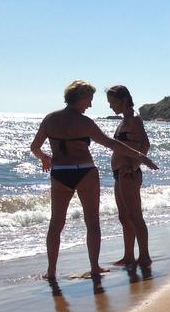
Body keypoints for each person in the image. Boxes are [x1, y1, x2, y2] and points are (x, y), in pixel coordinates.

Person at [31, 80, 158, 281]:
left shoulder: (50, 119)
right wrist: (141, 157)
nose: (90, 105)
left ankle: (51, 271)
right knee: (92, 222)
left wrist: (45, 158)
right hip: (85, 172)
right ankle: (94, 266)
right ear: (80, 98)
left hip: (60, 172)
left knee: (56, 223)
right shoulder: (85, 123)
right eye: (89, 100)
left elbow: (35, 147)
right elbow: (110, 143)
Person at [106, 85, 152, 269]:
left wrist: (133, 166)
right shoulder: (123, 121)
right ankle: (128, 256)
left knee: (135, 215)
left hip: (129, 174)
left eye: (113, 102)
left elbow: (145, 145)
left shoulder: (134, 119)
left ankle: (144, 256)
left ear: (124, 100)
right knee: (124, 217)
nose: (110, 107)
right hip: (118, 174)